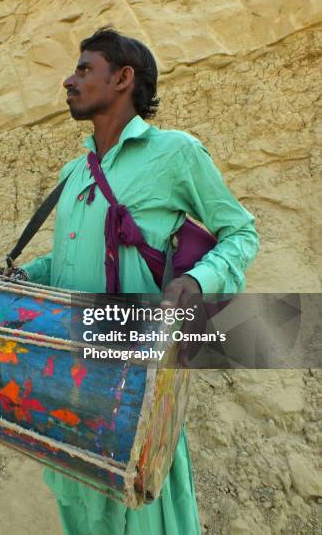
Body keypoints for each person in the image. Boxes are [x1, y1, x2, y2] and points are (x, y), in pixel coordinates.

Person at [20, 27, 260, 535]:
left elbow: (240, 231)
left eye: (85, 69)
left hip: (136, 378)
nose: (69, 80)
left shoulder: (174, 152)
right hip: (70, 376)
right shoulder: (74, 172)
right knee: (79, 505)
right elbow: (62, 259)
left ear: (123, 78)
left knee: (144, 512)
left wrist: (197, 281)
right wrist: (21, 275)